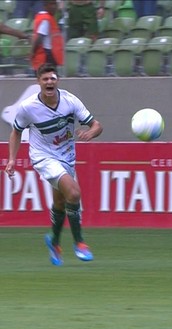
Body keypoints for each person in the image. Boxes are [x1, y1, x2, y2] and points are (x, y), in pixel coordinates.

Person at [5, 63, 103, 266]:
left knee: (60, 203)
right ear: (38, 81)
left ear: (57, 80)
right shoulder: (28, 107)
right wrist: (12, 159)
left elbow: (96, 125)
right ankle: (80, 243)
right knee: (74, 193)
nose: (49, 82)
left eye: (53, 78)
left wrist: (90, 133)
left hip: (67, 158)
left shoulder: (70, 101)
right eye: (45, 79)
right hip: (43, 157)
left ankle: (54, 242)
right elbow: (16, 131)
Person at [30, 0, 64, 74]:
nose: (54, 7)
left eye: (55, 4)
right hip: (47, 55)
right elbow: (40, 37)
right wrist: (32, 52)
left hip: (49, 53)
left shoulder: (41, 17)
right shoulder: (46, 19)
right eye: (51, 4)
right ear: (45, 6)